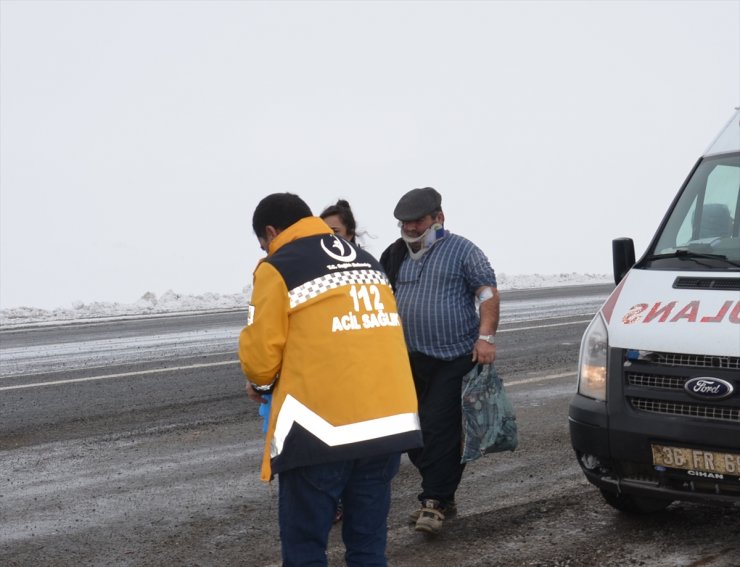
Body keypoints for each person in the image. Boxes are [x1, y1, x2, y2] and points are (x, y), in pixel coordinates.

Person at [239, 192, 422, 566]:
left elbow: (260, 361)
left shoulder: (278, 266)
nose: (265, 249)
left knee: (306, 548)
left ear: (271, 231)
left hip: (320, 431)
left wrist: (259, 385)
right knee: (368, 547)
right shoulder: (369, 263)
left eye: (263, 241)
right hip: (387, 427)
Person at [379, 187, 500, 535]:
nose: (411, 228)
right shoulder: (395, 255)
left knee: (437, 428)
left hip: (453, 357)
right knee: (410, 434)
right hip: (408, 361)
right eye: (405, 223)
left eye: (418, 221)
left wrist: (486, 337)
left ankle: (432, 503)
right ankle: (443, 494)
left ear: (438, 218)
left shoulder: (463, 250)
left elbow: (487, 292)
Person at [319, 198, 360, 524]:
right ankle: (333, 501)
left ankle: (348, 500)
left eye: (335, 232)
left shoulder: (366, 269)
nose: (329, 238)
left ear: (350, 235)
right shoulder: (313, 270)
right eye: (323, 232)